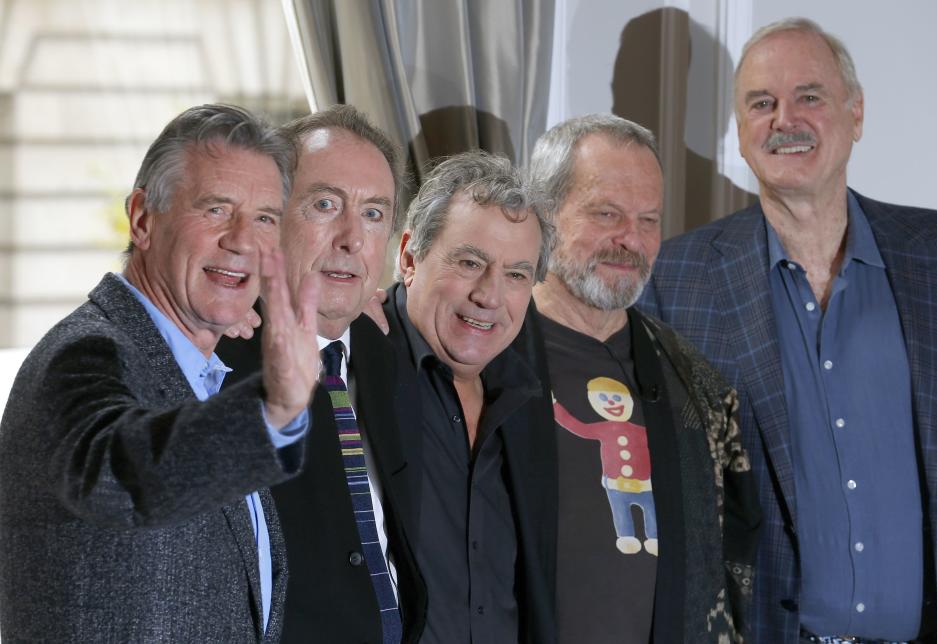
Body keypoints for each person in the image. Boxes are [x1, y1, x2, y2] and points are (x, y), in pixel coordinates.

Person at [639, 17, 937, 643]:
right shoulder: (675, 282)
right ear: (740, 130)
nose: (785, 120)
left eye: (809, 96)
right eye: (762, 103)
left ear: (855, 114)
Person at [0, 104, 322, 642]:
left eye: (265, 217)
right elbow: (122, 473)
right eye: (216, 209)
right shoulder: (84, 355)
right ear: (143, 220)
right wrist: (271, 408)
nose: (242, 239)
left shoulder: (204, 373)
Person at [528, 113, 761, 643]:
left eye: (649, 219)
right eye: (606, 213)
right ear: (543, 213)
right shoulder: (485, 358)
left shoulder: (696, 384)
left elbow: (734, 560)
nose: (630, 240)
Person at [217, 104, 427, 643]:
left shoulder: (393, 352)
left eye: (374, 214)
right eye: (326, 204)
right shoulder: (213, 366)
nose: (351, 238)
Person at [384, 150, 557, 644]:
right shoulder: (352, 367)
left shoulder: (527, 398)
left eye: (517, 275)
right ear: (410, 258)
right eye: (469, 262)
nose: (490, 295)